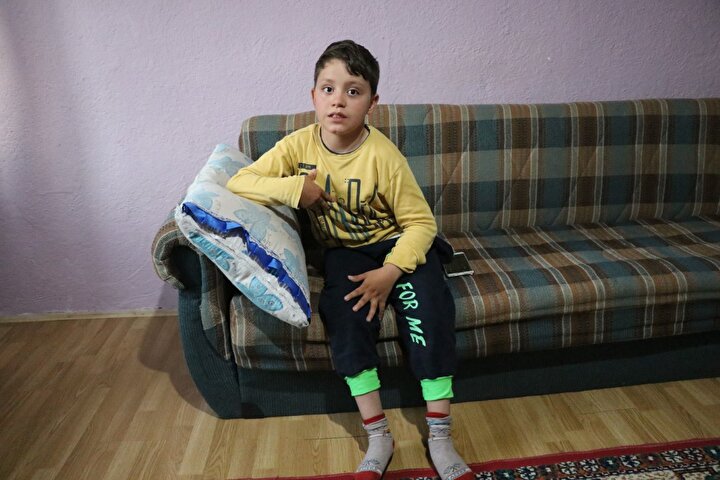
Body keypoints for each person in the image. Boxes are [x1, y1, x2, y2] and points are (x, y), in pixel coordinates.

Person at [226, 40, 474, 480]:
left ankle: (440, 436)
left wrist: (391, 272)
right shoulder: (297, 146)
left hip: (397, 246)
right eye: (328, 89)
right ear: (314, 96)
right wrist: (294, 189)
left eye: (353, 91)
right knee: (344, 315)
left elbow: (421, 224)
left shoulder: (383, 156)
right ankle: (378, 434)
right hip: (344, 254)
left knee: (430, 311)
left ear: (372, 103)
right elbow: (240, 182)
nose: (338, 100)